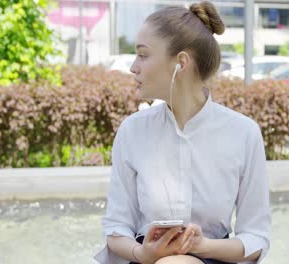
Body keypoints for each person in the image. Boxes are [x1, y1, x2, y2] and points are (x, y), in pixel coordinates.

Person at [94, 1, 270, 263]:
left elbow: (256, 238)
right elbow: (116, 227)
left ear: (181, 63)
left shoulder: (243, 133)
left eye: (143, 55)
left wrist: (202, 246)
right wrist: (142, 253)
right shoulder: (132, 130)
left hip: (215, 257)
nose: (133, 67)